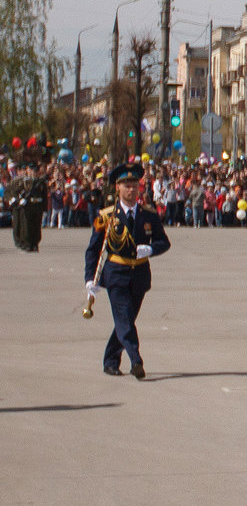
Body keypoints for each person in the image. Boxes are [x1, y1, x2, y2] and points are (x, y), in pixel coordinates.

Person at [84, 162, 171, 379]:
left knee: (126, 320)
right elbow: (93, 250)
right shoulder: (106, 216)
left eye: (134, 185)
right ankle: (136, 360)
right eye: (126, 186)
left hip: (140, 275)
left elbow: (164, 242)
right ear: (117, 188)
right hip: (116, 274)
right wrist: (89, 280)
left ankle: (111, 360)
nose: (131, 190)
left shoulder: (148, 215)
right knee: (124, 318)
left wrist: (150, 249)